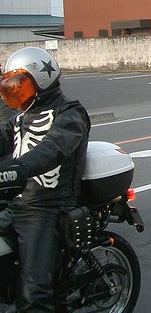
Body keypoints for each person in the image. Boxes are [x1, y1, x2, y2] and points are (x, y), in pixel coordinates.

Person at [0, 47, 91, 312]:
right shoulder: (21, 116)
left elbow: (54, 148)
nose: (14, 91)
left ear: (41, 80)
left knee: (34, 294)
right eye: (10, 86)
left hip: (46, 206)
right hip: (16, 202)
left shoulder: (70, 113)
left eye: (19, 85)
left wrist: (17, 169)